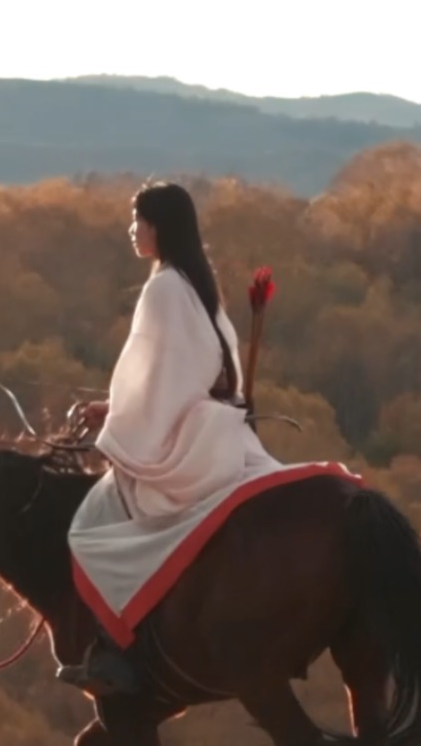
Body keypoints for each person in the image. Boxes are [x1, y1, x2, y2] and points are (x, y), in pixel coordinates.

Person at [57, 181, 286, 696]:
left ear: (159, 227)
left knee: (90, 530)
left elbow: (161, 381)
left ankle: (115, 653)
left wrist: (115, 424)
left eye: (138, 220)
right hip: (215, 428)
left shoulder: (163, 288)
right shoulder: (198, 284)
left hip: (184, 440)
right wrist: (115, 408)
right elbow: (178, 377)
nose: (132, 230)